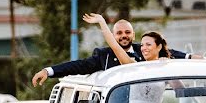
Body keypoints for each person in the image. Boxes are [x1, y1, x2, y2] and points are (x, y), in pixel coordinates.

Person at [84, 14, 185, 103]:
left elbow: (181, 92)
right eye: (142, 45)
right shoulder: (134, 66)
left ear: (159, 47)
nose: (143, 48)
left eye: (148, 44)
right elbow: (115, 47)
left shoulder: (165, 69)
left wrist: (168, 69)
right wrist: (102, 22)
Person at [30, 19, 196, 86]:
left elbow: (168, 52)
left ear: (133, 34)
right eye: (119, 33)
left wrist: (190, 57)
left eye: (127, 32)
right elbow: (79, 65)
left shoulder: (144, 50)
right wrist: (49, 71)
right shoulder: (104, 55)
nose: (124, 36)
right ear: (114, 35)